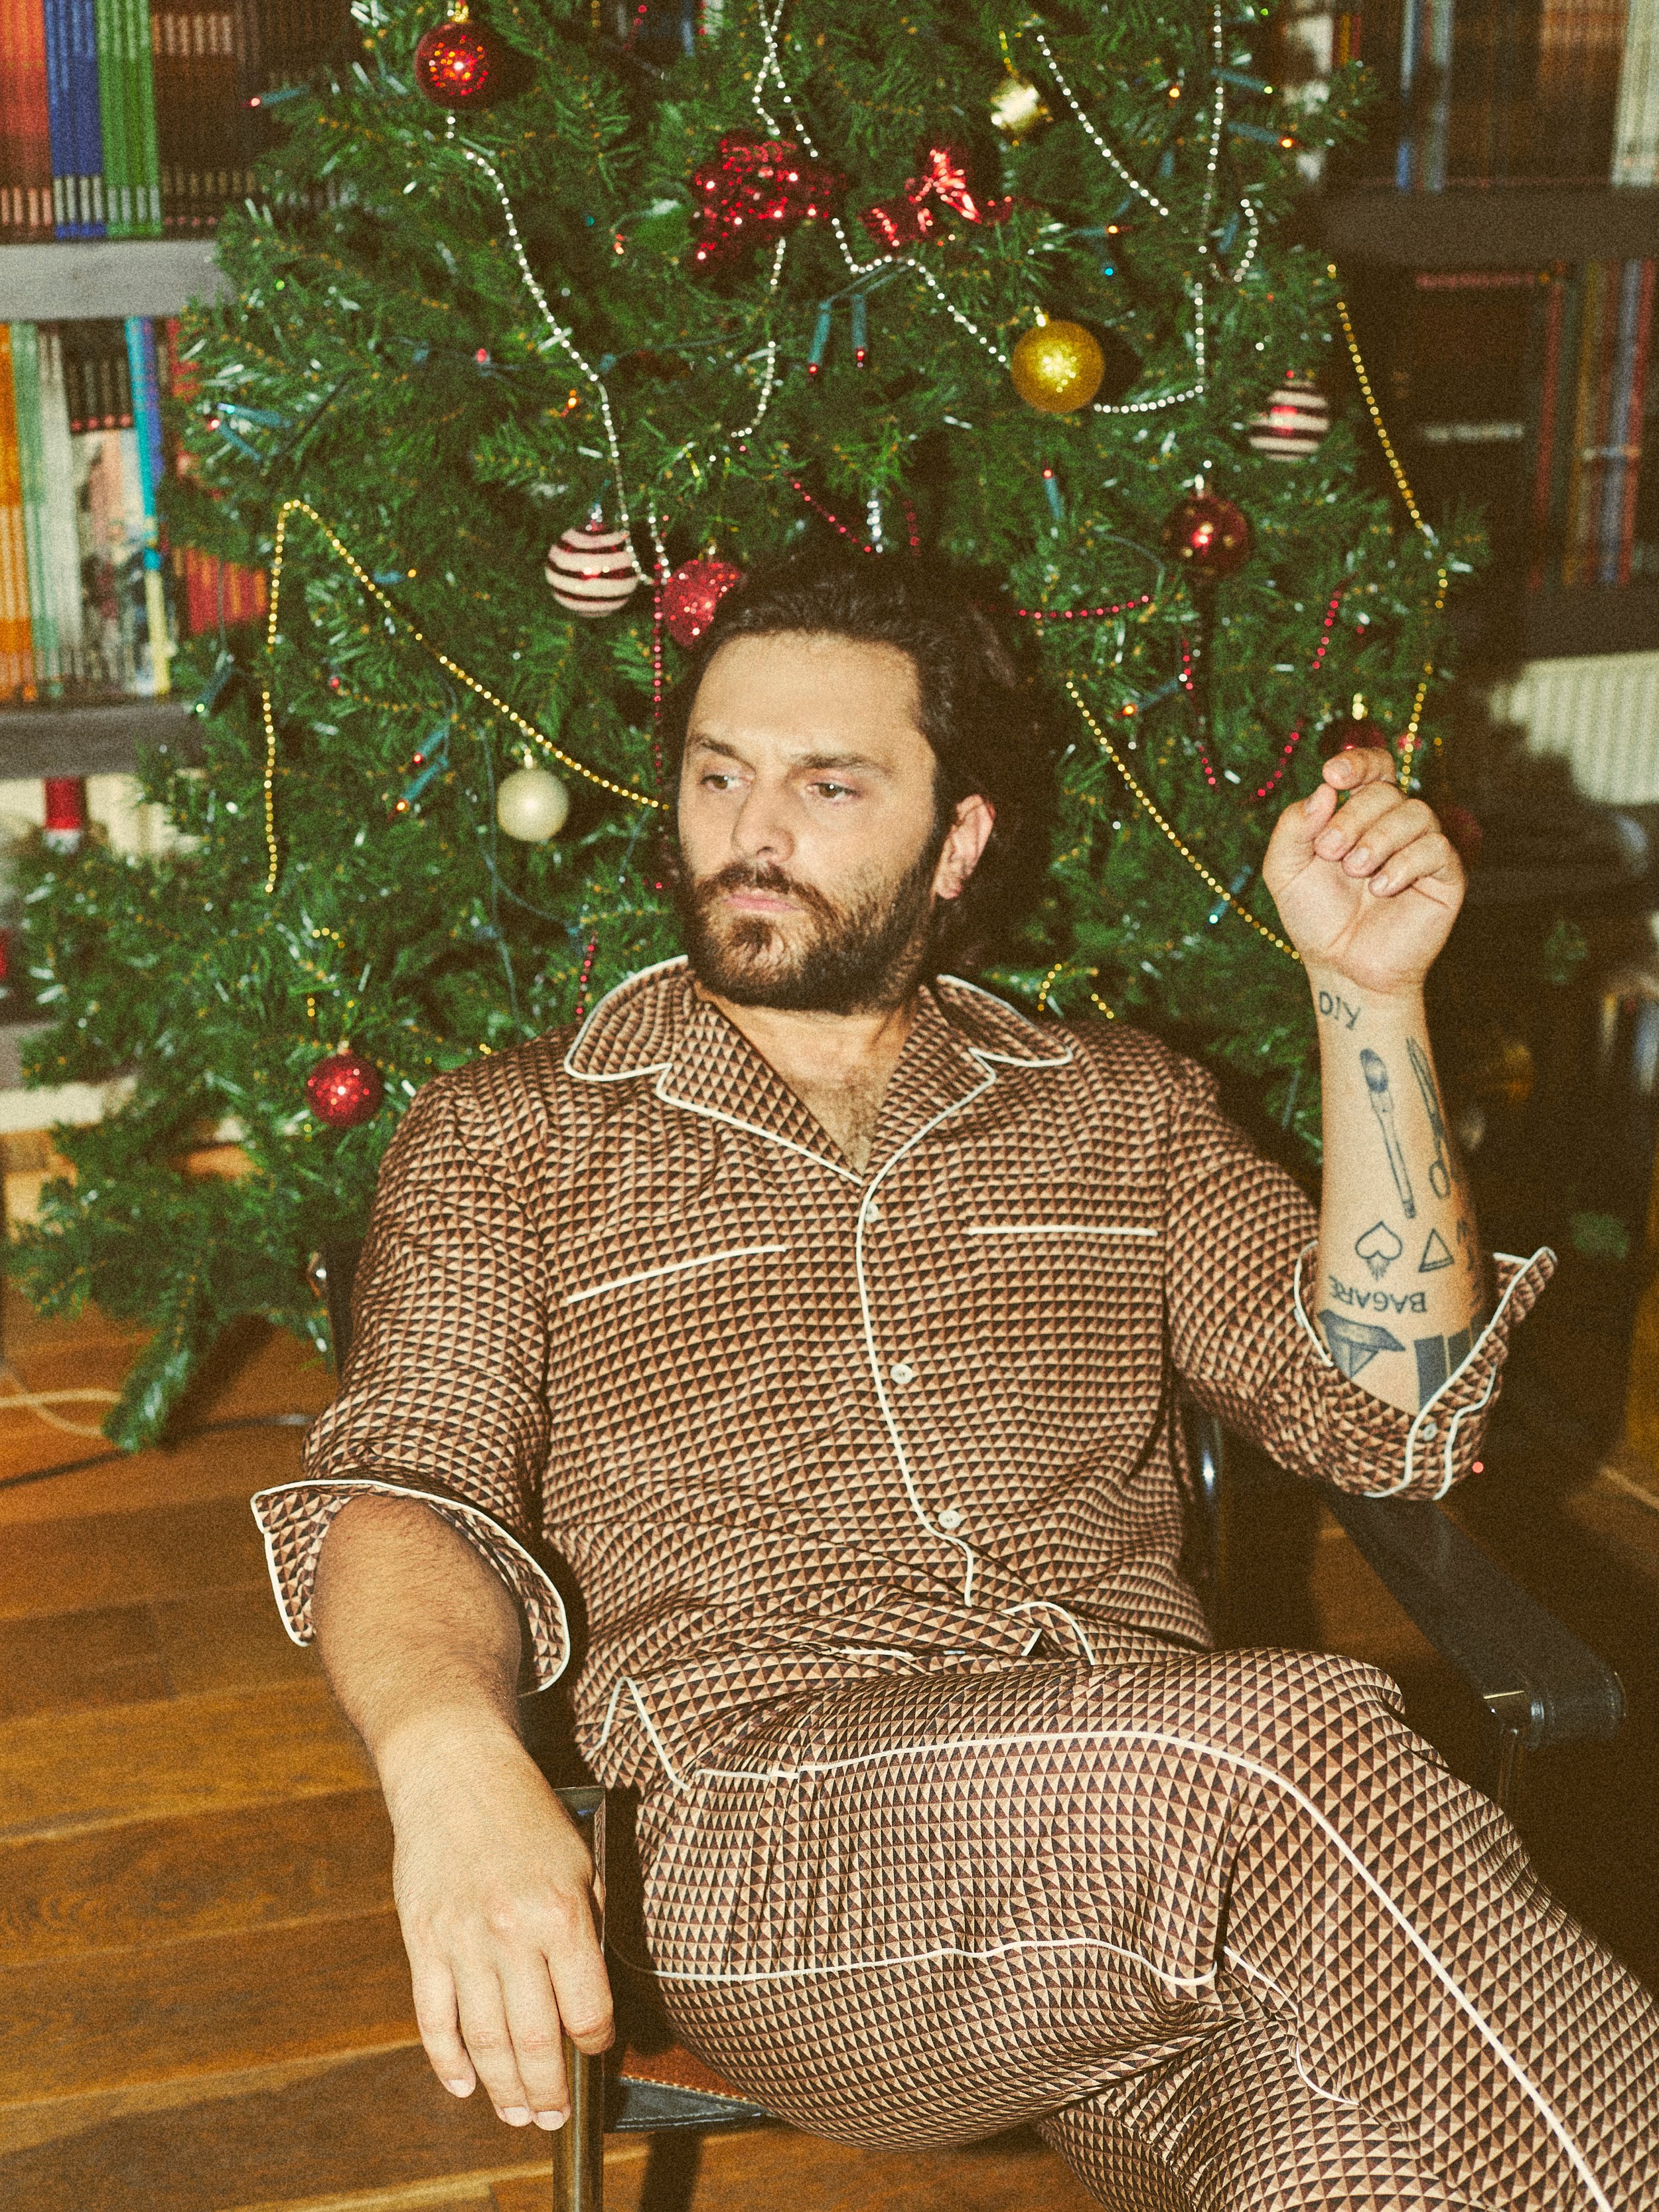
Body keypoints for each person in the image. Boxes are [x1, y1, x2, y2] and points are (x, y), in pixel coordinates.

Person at [255, 553, 1657, 2210]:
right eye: (717, 774)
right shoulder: (515, 1135)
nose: (749, 830)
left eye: (828, 785)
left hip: (1154, 1850)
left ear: (960, 839)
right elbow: (404, 1485)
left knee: (1361, 2161)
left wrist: (1367, 999)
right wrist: (446, 1760)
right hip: (770, 1835)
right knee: (1284, 1747)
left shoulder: (1120, 1108)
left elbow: (1390, 1411)